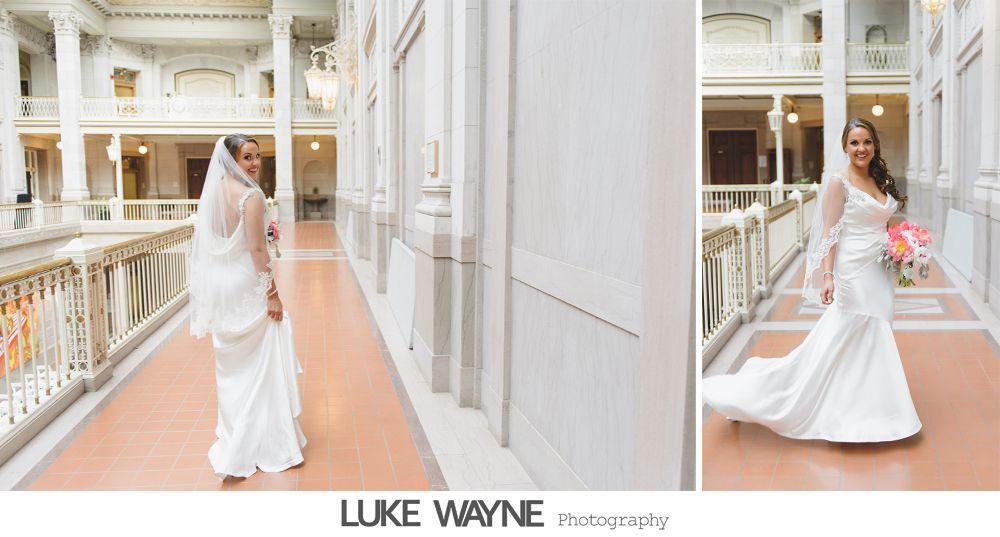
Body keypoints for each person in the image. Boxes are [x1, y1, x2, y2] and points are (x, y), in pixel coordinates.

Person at [702, 118, 921, 442]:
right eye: (854, 143)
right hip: (852, 272)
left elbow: (881, 224)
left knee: (875, 330)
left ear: (874, 146)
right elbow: (831, 234)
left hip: (879, 270)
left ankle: (868, 406)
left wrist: (902, 248)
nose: (861, 149)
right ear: (845, 147)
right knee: (856, 332)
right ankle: (800, 401)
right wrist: (829, 276)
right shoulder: (838, 183)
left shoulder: (879, 179)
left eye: (867, 142)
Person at [189, 133, 306, 478]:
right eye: (247, 157)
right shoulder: (251, 196)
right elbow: (257, 251)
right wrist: (271, 293)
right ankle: (266, 440)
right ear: (232, 161)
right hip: (244, 284)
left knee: (232, 366)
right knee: (263, 357)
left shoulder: (213, 193)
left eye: (258, 156)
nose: (255, 163)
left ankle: (235, 431)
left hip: (222, 288)